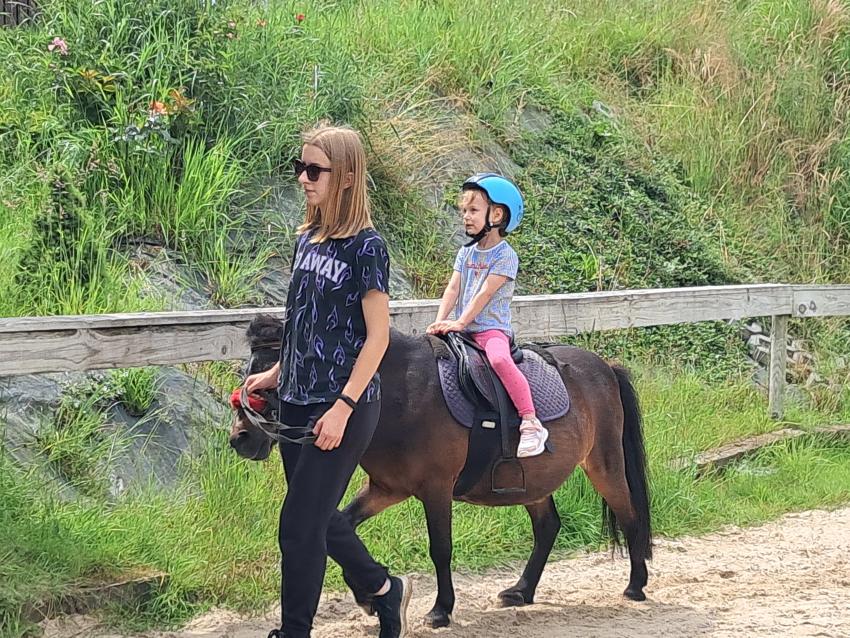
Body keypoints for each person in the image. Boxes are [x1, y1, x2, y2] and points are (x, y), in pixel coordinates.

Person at [243, 123, 411, 638]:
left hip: (342, 406)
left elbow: (378, 338)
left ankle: (294, 632)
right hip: (295, 398)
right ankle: (382, 588)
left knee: (298, 528)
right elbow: (300, 319)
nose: (303, 178)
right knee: (314, 516)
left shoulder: (367, 248)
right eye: (301, 167)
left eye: (314, 170)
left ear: (346, 177)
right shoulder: (308, 238)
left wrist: (343, 407)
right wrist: (276, 373)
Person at [426, 173, 548, 458]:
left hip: (490, 329)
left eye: (473, 210)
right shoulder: (466, 252)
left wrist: (460, 322)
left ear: (497, 214)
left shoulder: (505, 256)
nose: (466, 217)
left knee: (500, 360)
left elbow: (485, 293)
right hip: (463, 330)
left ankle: (530, 421)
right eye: (464, 211)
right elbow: (453, 288)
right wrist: (440, 320)